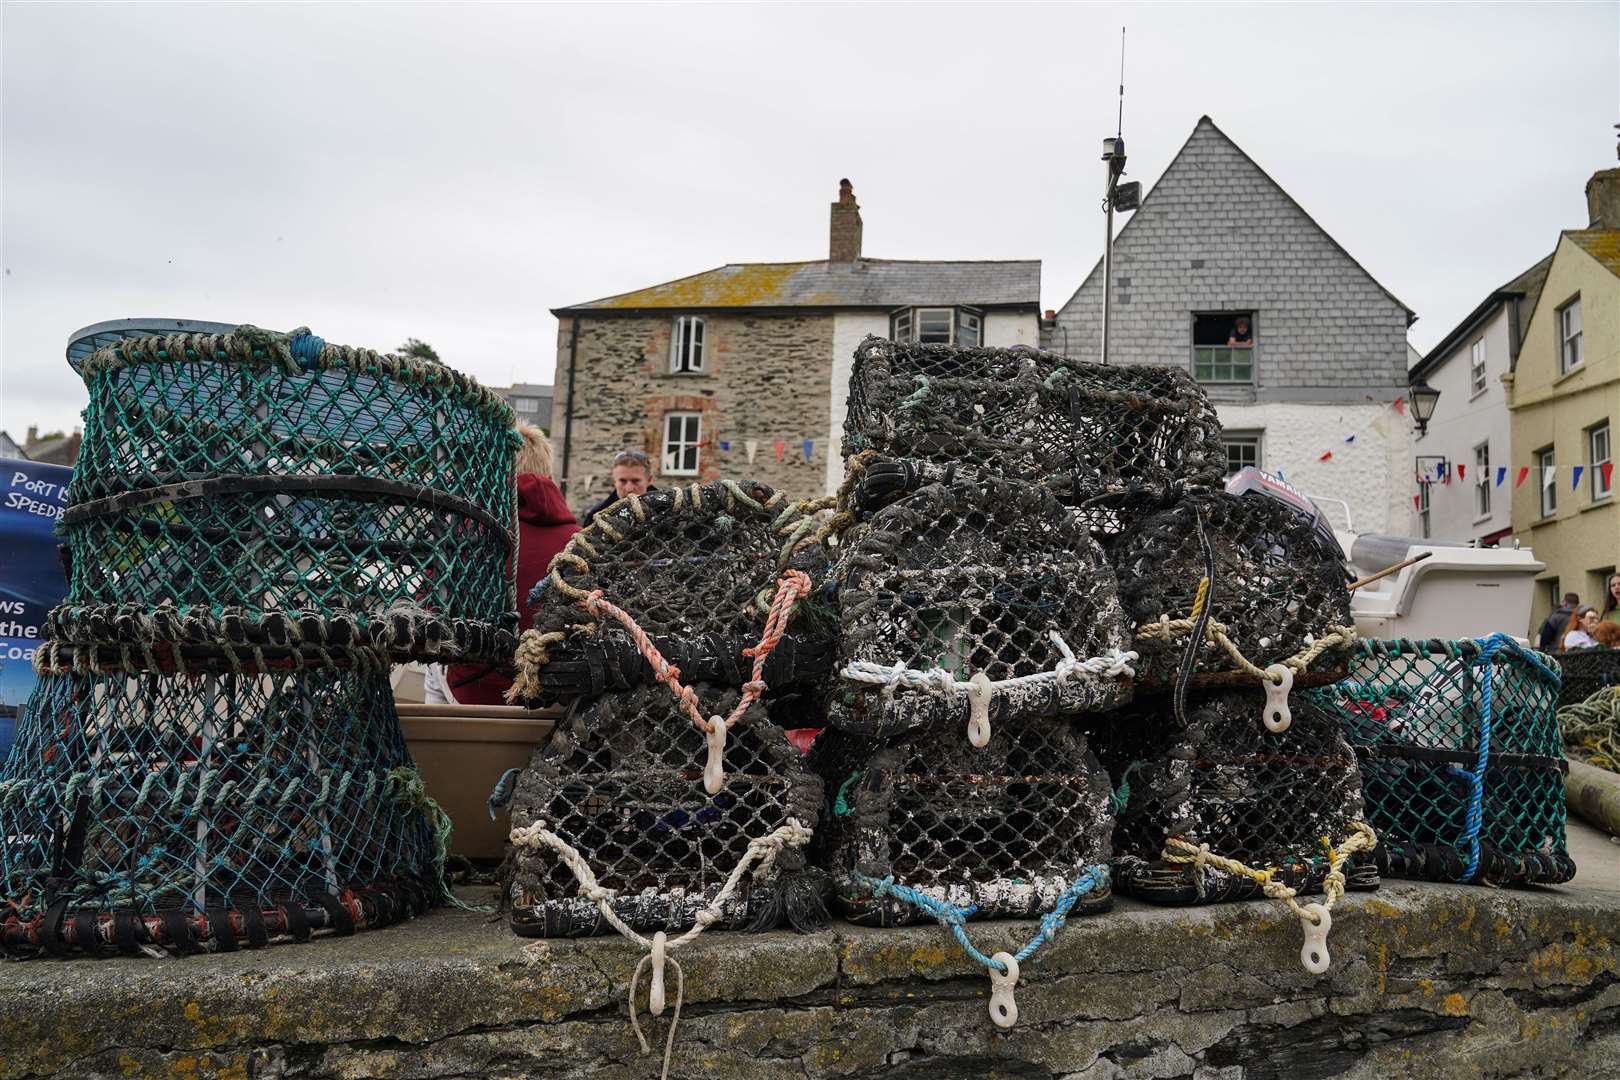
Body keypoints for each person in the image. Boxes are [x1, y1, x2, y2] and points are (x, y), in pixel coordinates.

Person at [445, 424, 581, 705]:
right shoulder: (580, 542)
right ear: (549, 473)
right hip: (557, 696)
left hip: (472, 695)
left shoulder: (470, 533)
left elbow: (431, 606)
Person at [580, 449, 656, 528]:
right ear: (614, 482)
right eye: (623, 481)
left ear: (649, 480)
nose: (629, 489)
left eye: (635, 481)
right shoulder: (597, 515)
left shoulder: (666, 510)